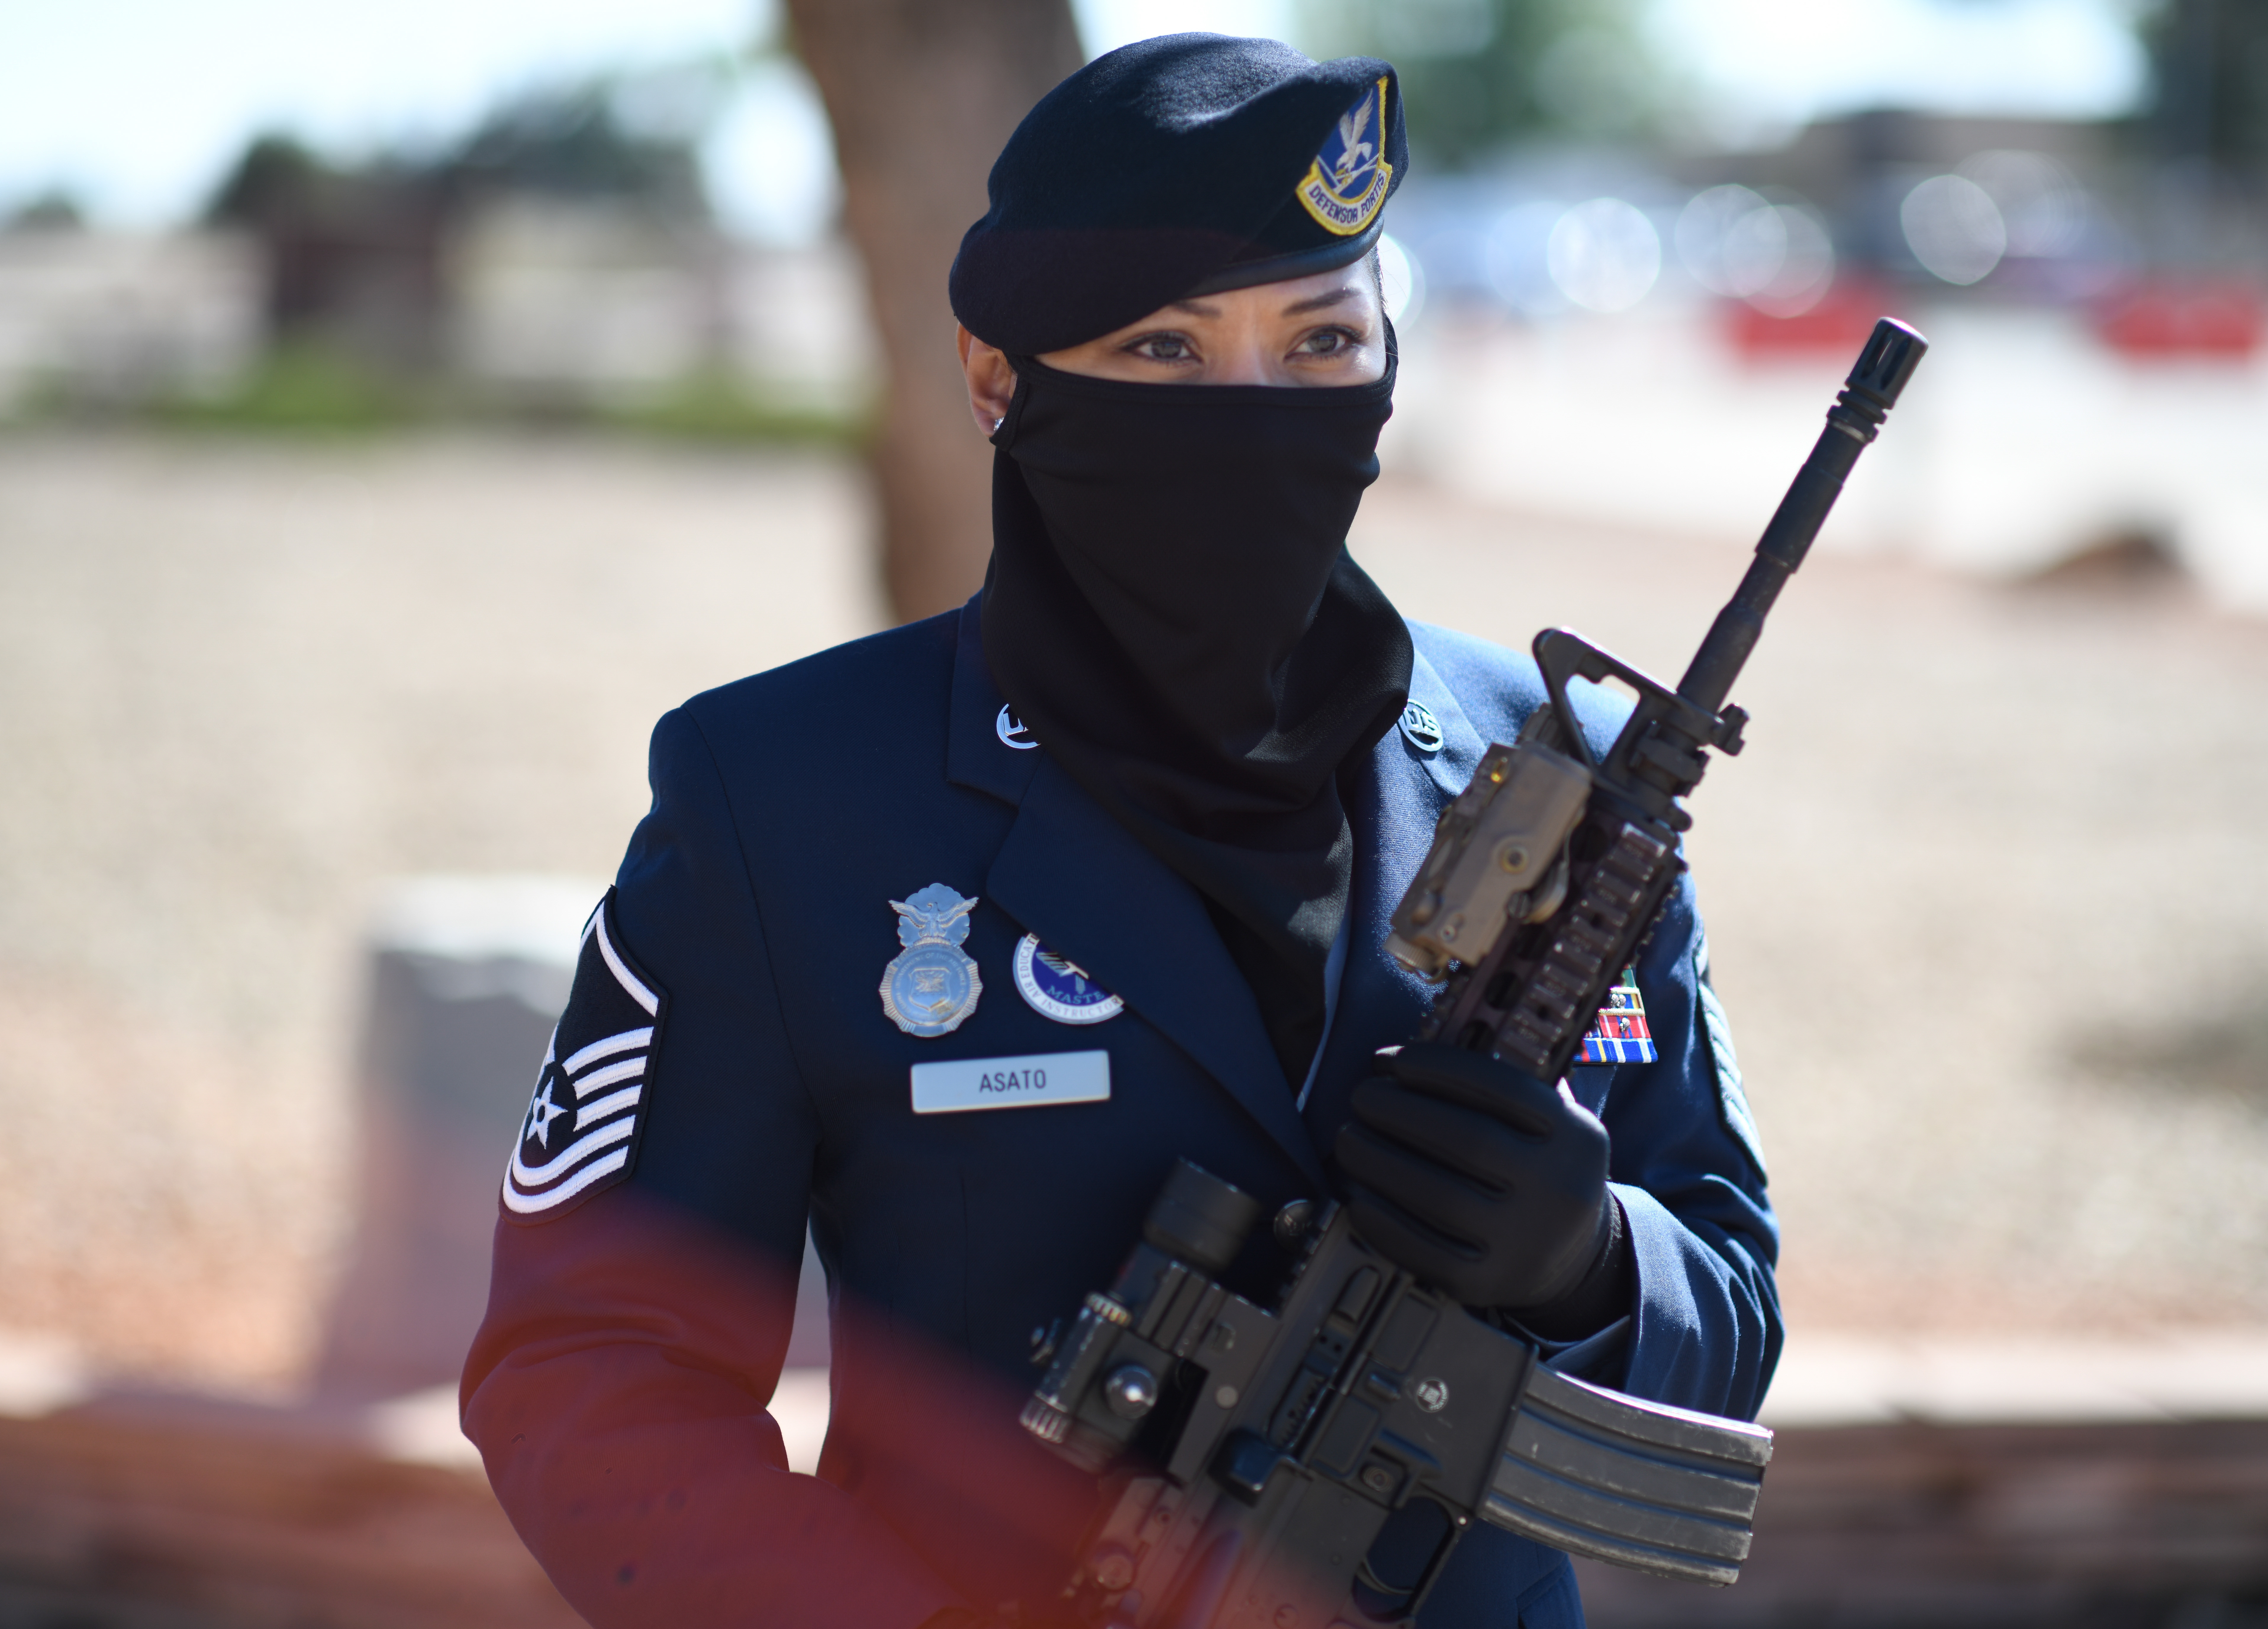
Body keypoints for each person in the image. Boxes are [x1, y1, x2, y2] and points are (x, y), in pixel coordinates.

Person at [461, 33, 1778, 1629]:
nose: (1254, 409)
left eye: (1317, 343)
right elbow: (594, 1369)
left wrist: (1594, 1263)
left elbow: (1727, 1304)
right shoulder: (783, 796)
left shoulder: (1559, 774)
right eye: (1163, 352)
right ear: (995, 379)